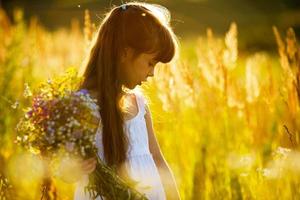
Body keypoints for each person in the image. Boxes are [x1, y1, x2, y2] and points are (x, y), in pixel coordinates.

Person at [73, 2, 180, 199]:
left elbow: (157, 159)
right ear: (125, 52)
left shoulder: (139, 105)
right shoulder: (86, 105)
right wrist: (73, 168)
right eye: (150, 63)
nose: (152, 73)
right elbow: (65, 164)